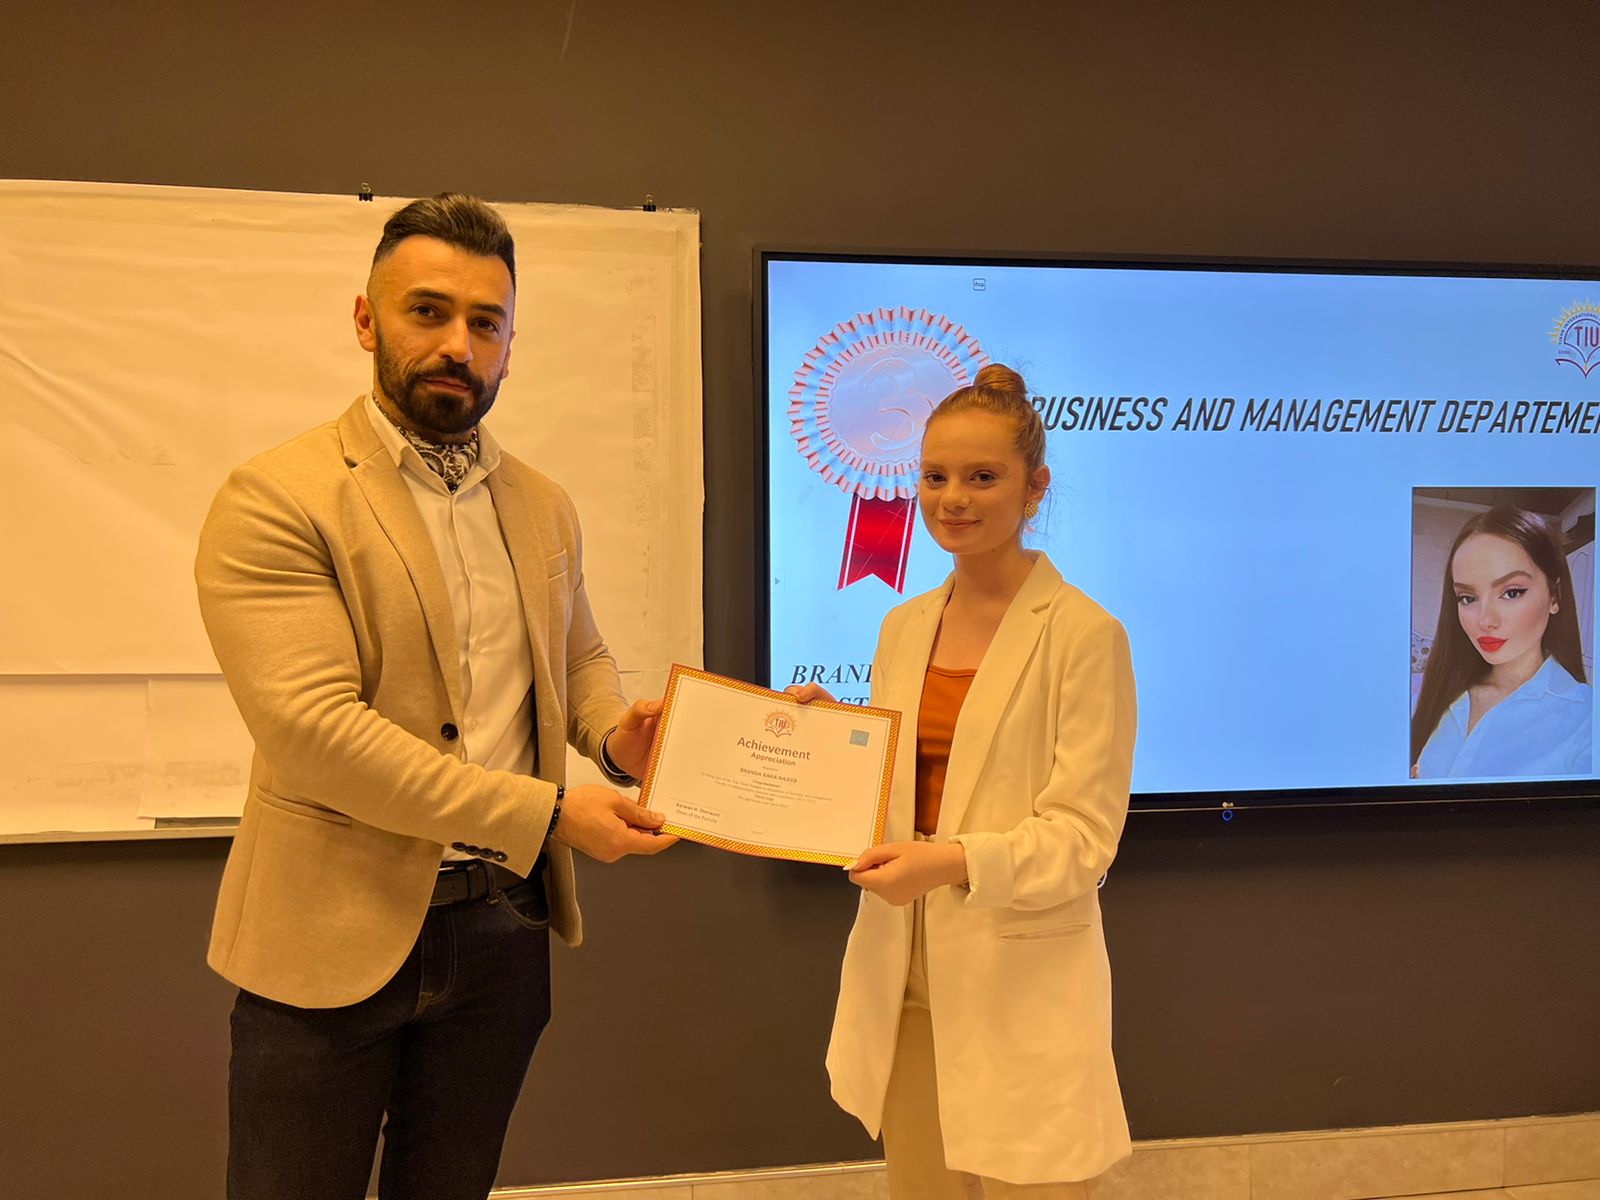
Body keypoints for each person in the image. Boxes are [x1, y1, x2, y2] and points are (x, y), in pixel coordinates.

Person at [195, 192, 675, 1200]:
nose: (459, 344)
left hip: (500, 932)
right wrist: (551, 812)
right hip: (325, 935)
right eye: (428, 312)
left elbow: (578, 660)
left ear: (510, 345)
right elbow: (317, 735)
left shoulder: (542, 503)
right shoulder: (277, 497)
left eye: (485, 322)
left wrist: (622, 739)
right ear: (366, 320)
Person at [791, 364, 1138, 1198]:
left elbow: (1084, 840)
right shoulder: (902, 626)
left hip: (1017, 977)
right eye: (935, 476)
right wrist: (830, 744)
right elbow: (907, 788)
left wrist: (949, 863)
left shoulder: (1087, 635)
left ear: (1034, 487)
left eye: (983, 477)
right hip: (902, 974)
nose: (953, 498)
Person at [1411, 504, 1592, 778]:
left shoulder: (1586, 719)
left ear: (1554, 596)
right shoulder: (1431, 695)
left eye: (1512, 593)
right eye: (1467, 598)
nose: (1485, 620)